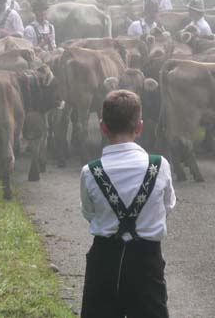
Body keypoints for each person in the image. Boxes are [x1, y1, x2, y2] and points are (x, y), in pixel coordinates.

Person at [80, 90, 176, 318]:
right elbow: (168, 206)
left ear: (103, 127)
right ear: (139, 127)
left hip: (103, 261)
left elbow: (89, 213)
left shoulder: (90, 171)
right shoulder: (159, 166)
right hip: (146, 261)